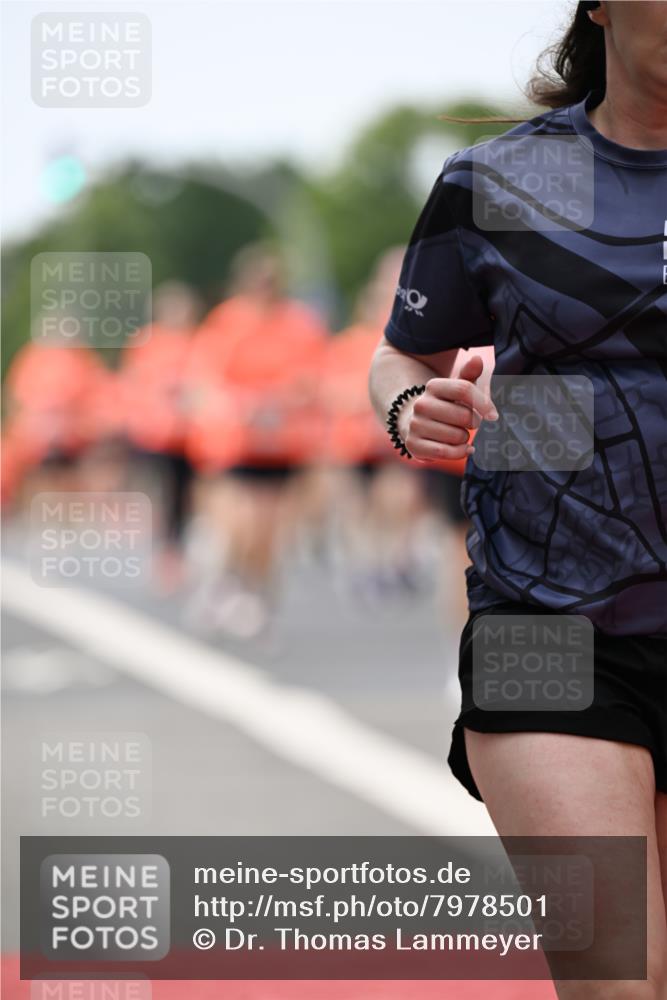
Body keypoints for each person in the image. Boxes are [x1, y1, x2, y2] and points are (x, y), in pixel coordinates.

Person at [369, 3, 667, 997]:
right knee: (620, 977)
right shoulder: (501, 179)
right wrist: (409, 407)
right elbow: (402, 355)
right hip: (547, 620)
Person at [185, 242, 327, 638]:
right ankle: (225, 580)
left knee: (272, 529)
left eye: (271, 280)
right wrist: (238, 404)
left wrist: (285, 398)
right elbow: (205, 380)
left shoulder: (299, 323)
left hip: (283, 443)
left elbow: (314, 377)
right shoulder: (227, 323)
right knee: (242, 521)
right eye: (258, 280)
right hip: (237, 443)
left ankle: (259, 595)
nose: (265, 287)